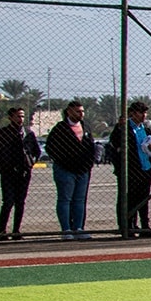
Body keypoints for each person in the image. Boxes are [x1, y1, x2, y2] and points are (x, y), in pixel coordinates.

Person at [45, 99, 97, 240]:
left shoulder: (85, 127)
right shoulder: (60, 128)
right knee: (65, 199)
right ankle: (66, 230)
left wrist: (89, 163)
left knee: (79, 200)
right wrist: (64, 162)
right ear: (69, 112)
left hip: (83, 170)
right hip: (65, 170)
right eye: (78, 111)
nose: (81, 114)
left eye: (82, 111)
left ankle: (78, 228)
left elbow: (91, 147)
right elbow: (51, 148)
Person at [0, 105, 41, 240]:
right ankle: (2, 231)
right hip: (8, 172)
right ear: (10, 117)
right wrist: (1, 164)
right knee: (8, 202)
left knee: (20, 202)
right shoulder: (2, 133)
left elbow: (36, 151)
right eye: (18, 116)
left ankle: (16, 230)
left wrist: (31, 163)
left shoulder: (28, 134)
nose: (20, 119)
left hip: (24, 172)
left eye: (22, 116)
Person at [111, 101, 151, 238]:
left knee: (143, 198)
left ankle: (144, 226)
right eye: (141, 112)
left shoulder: (145, 129)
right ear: (132, 113)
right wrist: (119, 127)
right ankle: (127, 226)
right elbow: (114, 142)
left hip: (145, 167)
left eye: (145, 113)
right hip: (130, 170)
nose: (144, 115)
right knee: (128, 198)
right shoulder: (124, 127)